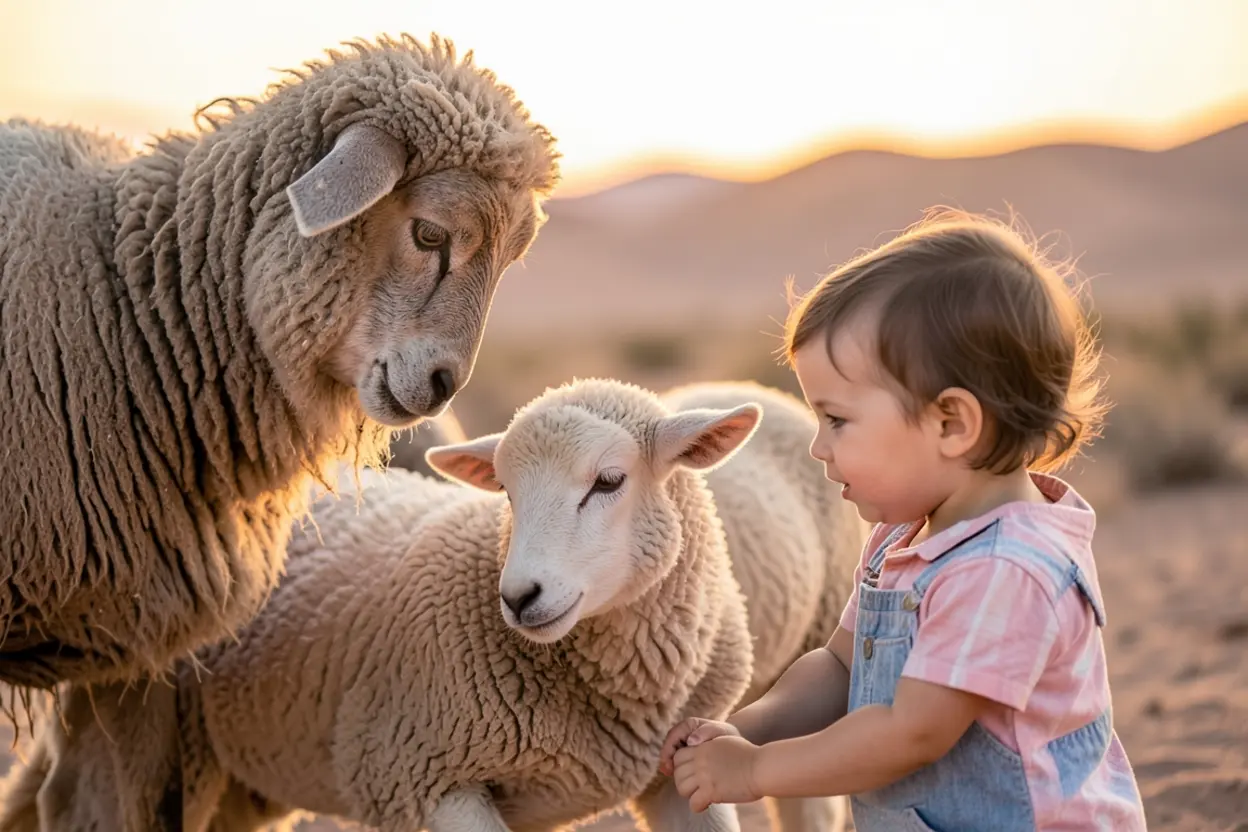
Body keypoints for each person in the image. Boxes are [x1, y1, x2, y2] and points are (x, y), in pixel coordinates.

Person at [658, 211, 1147, 830]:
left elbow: (911, 734)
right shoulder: (903, 537)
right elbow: (839, 667)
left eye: (837, 420)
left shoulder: (1004, 570)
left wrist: (756, 771)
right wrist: (746, 729)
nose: (818, 447)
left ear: (952, 423)